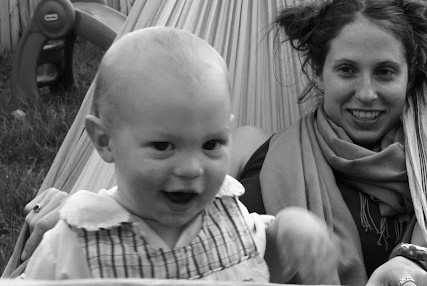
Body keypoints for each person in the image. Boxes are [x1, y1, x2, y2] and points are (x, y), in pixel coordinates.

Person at [23, 26, 337, 283]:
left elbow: (261, 270)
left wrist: (290, 231)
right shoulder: (76, 244)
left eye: (211, 144)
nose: (191, 169)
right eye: (163, 146)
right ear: (105, 141)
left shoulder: (227, 216)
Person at [231, 0, 427, 286]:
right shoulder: (253, 154)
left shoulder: (422, 176)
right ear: (318, 72)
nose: (366, 93)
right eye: (347, 70)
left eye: (385, 72)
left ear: (408, 77)